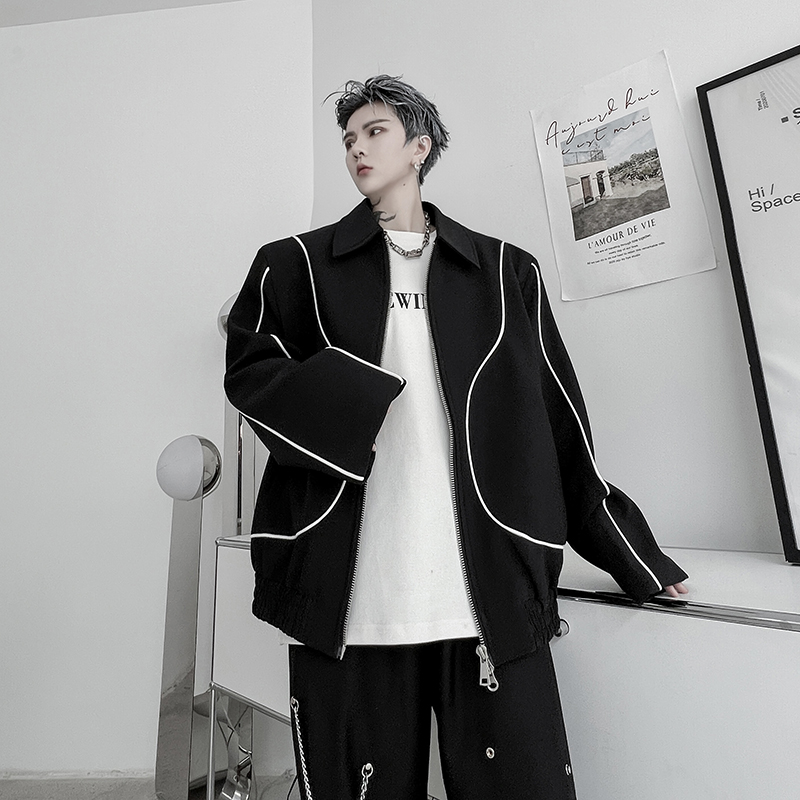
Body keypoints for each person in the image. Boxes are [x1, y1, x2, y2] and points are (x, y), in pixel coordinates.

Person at [224, 75, 688, 800]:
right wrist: (359, 399)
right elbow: (251, 374)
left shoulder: (504, 272)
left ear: (420, 146)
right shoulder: (293, 265)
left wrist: (632, 554)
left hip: (490, 595)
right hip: (350, 601)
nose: (356, 148)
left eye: (374, 131)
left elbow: (559, 422)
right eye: (347, 138)